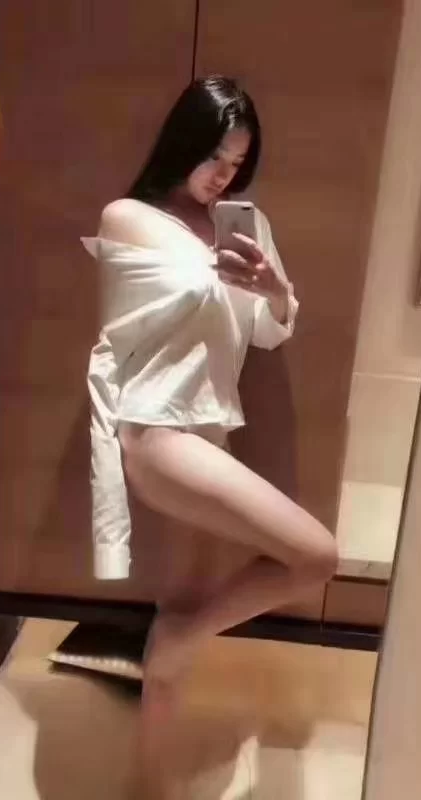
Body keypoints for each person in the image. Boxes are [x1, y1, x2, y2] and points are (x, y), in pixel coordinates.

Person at [82, 75, 337, 720]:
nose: (224, 175)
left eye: (237, 163)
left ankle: (151, 759)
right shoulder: (129, 217)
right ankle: (176, 639)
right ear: (183, 142)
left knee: (183, 614)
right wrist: (219, 277)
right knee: (316, 556)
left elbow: (270, 331)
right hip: (159, 432)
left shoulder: (249, 227)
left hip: (212, 439)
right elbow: (128, 329)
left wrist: (274, 289)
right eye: (214, 156)